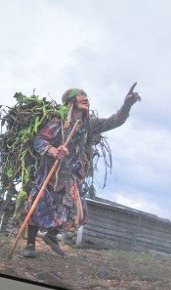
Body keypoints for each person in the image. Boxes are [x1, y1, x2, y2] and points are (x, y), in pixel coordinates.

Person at [22, 85, 141, 258]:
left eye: (86, 94)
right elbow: (39, 141)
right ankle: (30, 244)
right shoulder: (59, 122)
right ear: (71, 101)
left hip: (70, 174)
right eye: (81, 95)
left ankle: (51, 236)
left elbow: (115, 121)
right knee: (38, 205)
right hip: (51, 173)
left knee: (73, 209)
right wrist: (53, 151)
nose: (86, 98)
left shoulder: (88, 124)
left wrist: (127, 105)